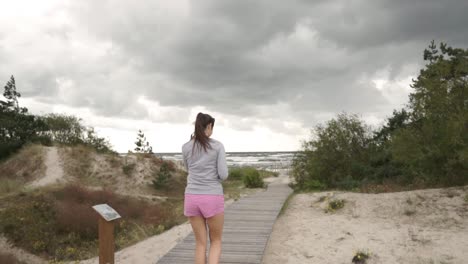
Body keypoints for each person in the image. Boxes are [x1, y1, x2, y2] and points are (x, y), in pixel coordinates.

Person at [182, 112, 229, 264]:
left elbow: (188, 169)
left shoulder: (186, 147)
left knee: (200, 244)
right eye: (212, 127)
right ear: (209, 126)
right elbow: (223, 175)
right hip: (212, 197)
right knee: (215, 241)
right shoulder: (217, 146)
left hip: (191, 197)